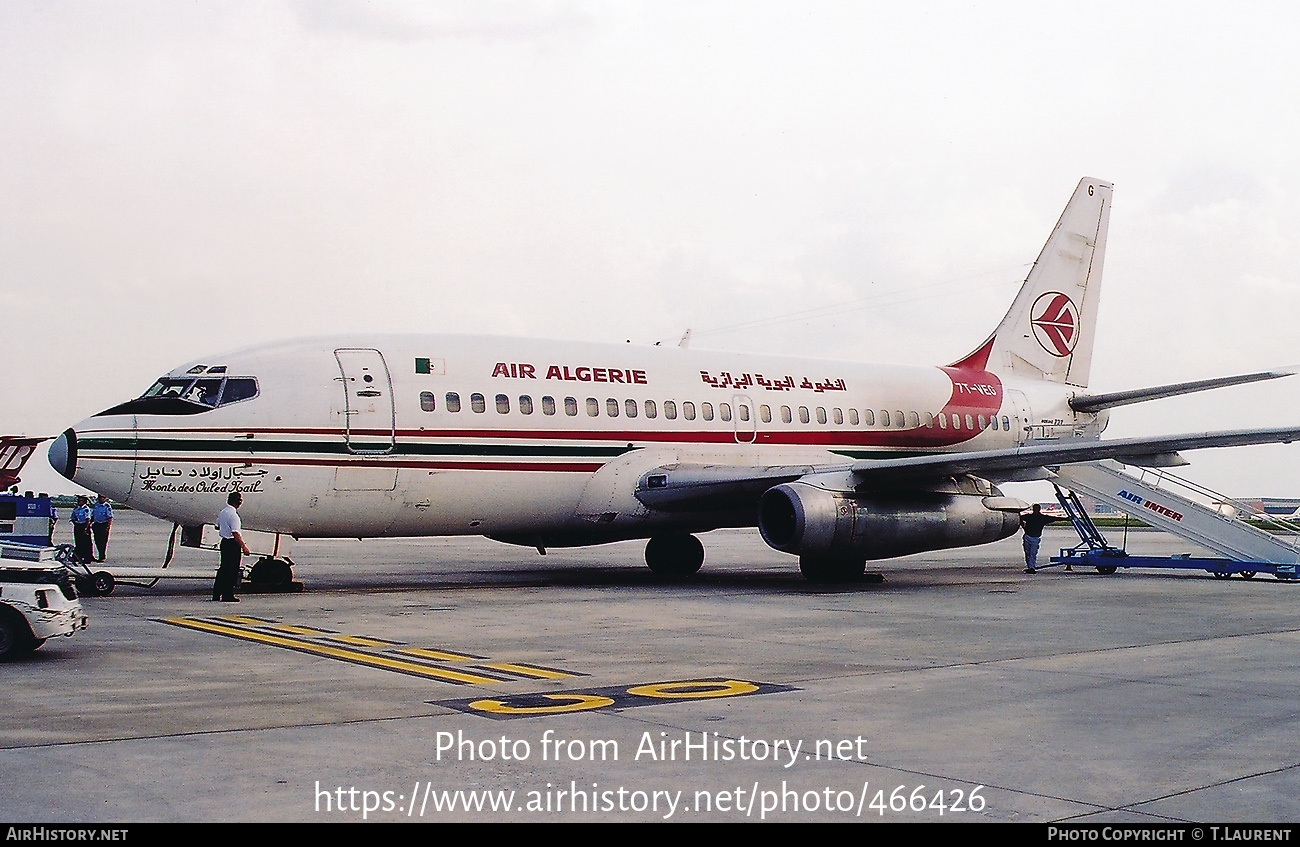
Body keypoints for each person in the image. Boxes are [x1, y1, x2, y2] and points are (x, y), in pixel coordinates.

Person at [213, 492, 250, 602]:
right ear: (238, 502)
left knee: (223, 569)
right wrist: (244, 547)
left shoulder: (223, 512)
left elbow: (216, 526)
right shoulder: (234, 516)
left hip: (224, 542)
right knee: (232, 570)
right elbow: (235, 533)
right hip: (232, 544)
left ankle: (216, 594)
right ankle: (227, 595)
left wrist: (224, 529)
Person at [1020, 504, 1063, 573]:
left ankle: (1031, 567)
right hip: (1033, 537)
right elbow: (1054, 518)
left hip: (1030, 536)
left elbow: (1020, 518)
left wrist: (1023, 526)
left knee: (1030, 553)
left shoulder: (1029, 517)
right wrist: (1066, 518)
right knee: (1031, 553)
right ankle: (1030, 567)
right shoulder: (1042, 517)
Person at [71, 495, 94, 565]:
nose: (78, 502)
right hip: (78, 526)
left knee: (86, 543)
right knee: (78, 542)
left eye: (80, 501)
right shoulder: (76, 509)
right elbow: (72, 518)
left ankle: (87, 558)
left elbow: (88, 519)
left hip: (84, 526)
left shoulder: (86, 509)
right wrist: (76, 524)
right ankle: (78, 557)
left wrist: (85, 528)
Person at [91, 494, 113, 562]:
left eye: (102, 498)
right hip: (97, 524)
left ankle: (102, 556)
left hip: (104, 524)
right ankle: (99, 554)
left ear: (104, 498)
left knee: (103, 541)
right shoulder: (96, 505)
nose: (100, 499)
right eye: (99, 498)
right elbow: (93, 515)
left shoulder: (107, 506)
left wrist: (108, 527)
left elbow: (110, 518)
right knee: (97, 541)